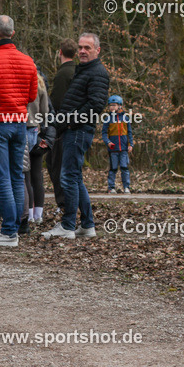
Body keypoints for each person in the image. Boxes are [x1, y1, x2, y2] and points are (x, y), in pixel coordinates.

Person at [0, 16, 37, 248]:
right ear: (13, 33)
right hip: (20, 123)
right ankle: (15, 227)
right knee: (16, 176)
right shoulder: (28, 61)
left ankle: (9, 232)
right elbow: (31, 96)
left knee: (1, 178)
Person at [43, 33, 109, 240]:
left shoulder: (97, 72)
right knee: (75, 177)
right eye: (80, 47)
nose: (82, 51)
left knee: (68, 177)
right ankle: (87, 225)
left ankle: (68, 225)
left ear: (97, 51)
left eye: (87, 48)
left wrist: (70, 120)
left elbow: (96, 105)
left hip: (79, 130)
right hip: (73, 129)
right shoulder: (84, 70)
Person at [47, 39, 77, 214]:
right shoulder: (79, 72)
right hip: (75, 123)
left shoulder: (62, 75)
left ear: (60, 52)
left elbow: (56, 102)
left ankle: (63, 203)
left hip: (61, 127)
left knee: (55, 165)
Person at [24, 73, 52, 232]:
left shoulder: (21, 83)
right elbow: (45, 111)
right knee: (36, 173)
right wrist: (43, 131)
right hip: (35, 130)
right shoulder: (40, 85)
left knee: (25, 174)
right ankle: (38, 214)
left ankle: (27, 213)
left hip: (22, 128)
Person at [102, 95, 133, 194]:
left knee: (124, 167)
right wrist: (108, 142)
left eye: (114, 105)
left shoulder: (125, 118)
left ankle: (126, 187)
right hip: (113, 149)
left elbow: (129, 132)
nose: (112, 107)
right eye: (110, 105)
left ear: (120, 106)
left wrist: (130, 144)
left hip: (124, 148)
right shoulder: (107, 119)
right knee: (113, 168)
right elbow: (104, 133)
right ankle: (111, 187)